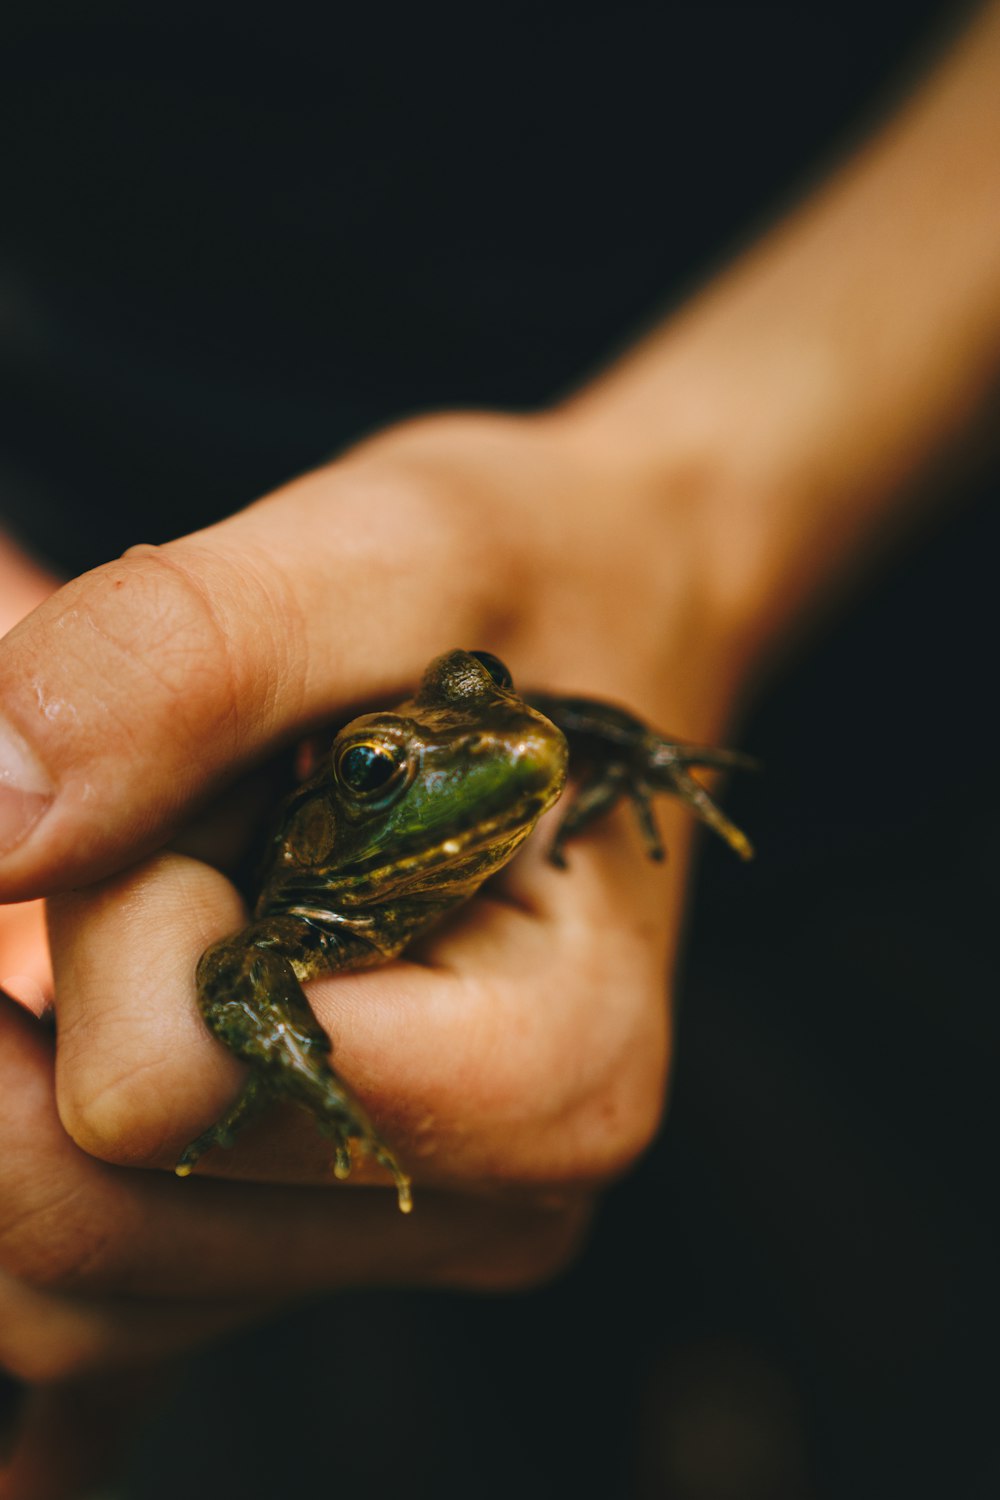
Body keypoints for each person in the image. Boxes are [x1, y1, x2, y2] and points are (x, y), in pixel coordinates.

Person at [1, 4, 998, 1495]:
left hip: (897, 691)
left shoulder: (522, 736)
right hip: (76, 488)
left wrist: (681, 561)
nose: (486, 742)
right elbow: (242, 969)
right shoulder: (319, 889)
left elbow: (552, 721)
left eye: (476, 712)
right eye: (397, 766)